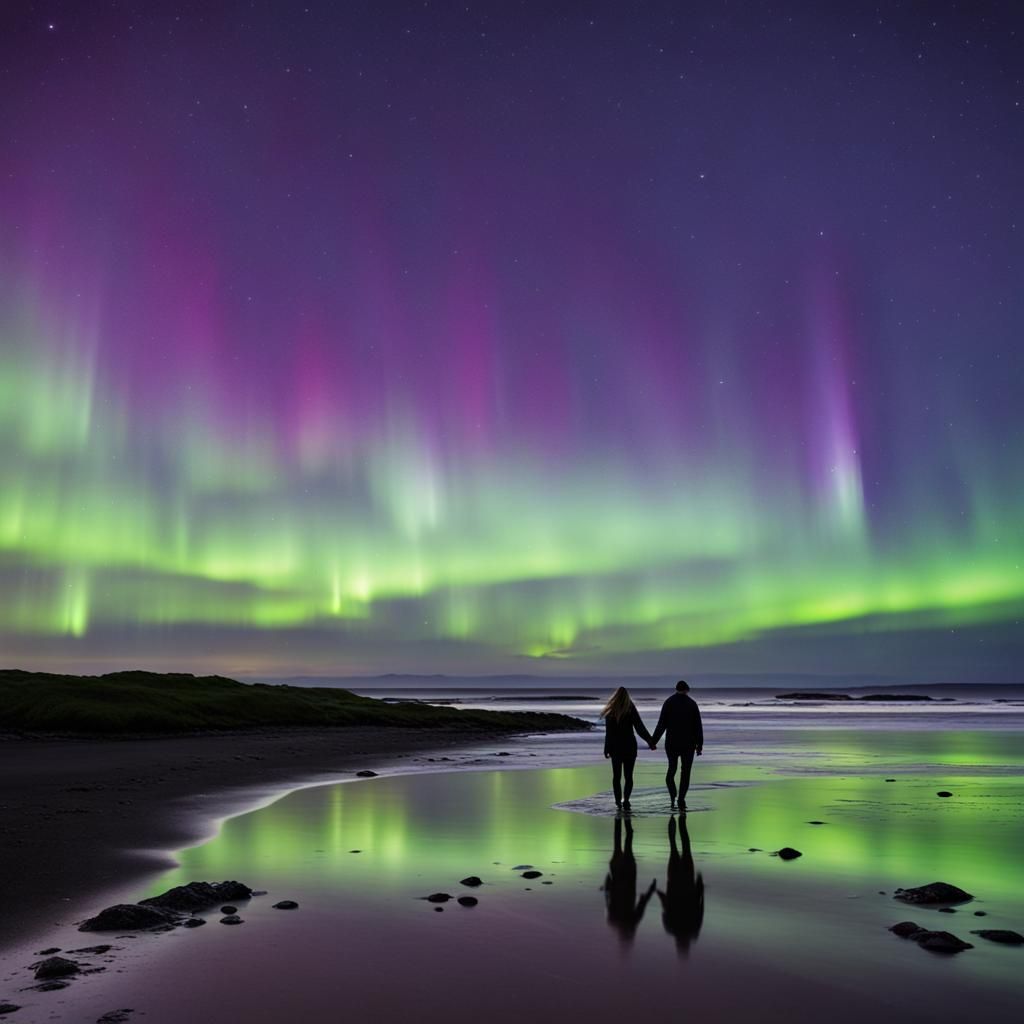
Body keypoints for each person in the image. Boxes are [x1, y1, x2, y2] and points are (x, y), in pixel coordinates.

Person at [649, 679, 703, 809]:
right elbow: (698, 727)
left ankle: (672, 794)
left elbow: (661, 725)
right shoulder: (692, 704)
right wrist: (699, 745)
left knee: (671, 769)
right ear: (687, 690)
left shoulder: (668, 702)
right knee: (686, 772)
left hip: (672, 743)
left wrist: (653, 741)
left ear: (676, 689)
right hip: (688, 744)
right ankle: (681, 798)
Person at [603, 816, 656, 947]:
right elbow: (608, 897)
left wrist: (652, 889)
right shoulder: (620, 920)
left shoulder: (622, 919)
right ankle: (620, 817)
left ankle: (624, 817)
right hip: (620, 872)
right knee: (618, 842)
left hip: (626, 873)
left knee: (627, 843)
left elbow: (642, 902)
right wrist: (607, 881)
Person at [656, 815, 704, 956]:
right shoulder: (673, 927)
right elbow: (699, 904)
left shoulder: (683, 927)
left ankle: (680, 819)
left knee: (685, 847)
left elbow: (699, 904)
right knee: (675, 848)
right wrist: (659, 893)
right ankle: (678, 820)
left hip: (682, 881)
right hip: (677, 881)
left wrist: (700, 884)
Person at [601, 686, 653, 811]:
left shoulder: (611, 711)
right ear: (627, 697)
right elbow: (639, 727)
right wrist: (650, 741)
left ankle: (618, 801)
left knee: (616, 777)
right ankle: (627, 800)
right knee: (628, 776)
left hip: (615, 748)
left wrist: (606, 748)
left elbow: (609, 732)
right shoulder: (630, 708)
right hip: (630, 746)